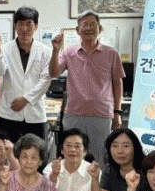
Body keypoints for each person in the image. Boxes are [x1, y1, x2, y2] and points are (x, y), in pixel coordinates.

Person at [49, 10, 125, 165]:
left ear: (100, 29)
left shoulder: (111, 53)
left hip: (101, 115)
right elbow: (54, 72)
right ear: (78, 30)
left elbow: (117, 83)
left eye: (93, 25)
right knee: (72, 158)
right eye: (85, 25)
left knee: (99, 159)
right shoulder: (69, 52)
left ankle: (98, 182)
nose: (89, 28)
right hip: (74, 114)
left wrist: (117, 112)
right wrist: (56, 50)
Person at [0, 7, 52, 143]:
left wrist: (26, 99)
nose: (24, 29)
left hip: (35, 113)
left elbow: (45, 80)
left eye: (29, 24)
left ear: (36, 26)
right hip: (9, 112)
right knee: (9, 151)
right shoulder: (5, 49)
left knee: (35, 151)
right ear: (15, 26)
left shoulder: (45, 51)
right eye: (20, 24)